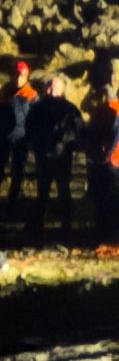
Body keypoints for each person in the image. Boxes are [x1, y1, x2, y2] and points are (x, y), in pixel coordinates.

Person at [23, 74, 81, 240]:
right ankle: (39, 229)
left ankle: (65, 228)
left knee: (63, 192)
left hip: (61, 157)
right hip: (45, 156)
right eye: (48, 86)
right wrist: (34, 147)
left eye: (53, 87)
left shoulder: (69, 109)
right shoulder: (39, 108)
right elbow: (30, 129)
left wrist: (63, 143)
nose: (49, 90)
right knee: (43, 193)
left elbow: (76, 131)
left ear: (61, 91)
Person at [89, 60, 119, 245]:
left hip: (115, 156)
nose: (113, 76)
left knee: (115, 193)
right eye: (110, 72)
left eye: (117, 72)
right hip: (108, 155)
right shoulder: (102, 93)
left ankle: (114, 230)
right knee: (105, 193)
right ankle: (108, 230)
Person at [5, 62, 35, 220]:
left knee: (18, 172)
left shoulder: (31, 95)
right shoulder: (5, 91)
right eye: (16, 74)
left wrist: (31, 141)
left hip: (21, 140)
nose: (18, 78)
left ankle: (12, 204)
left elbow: (35, 120)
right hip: (3, 138)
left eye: (22, 75)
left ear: (26, 76)